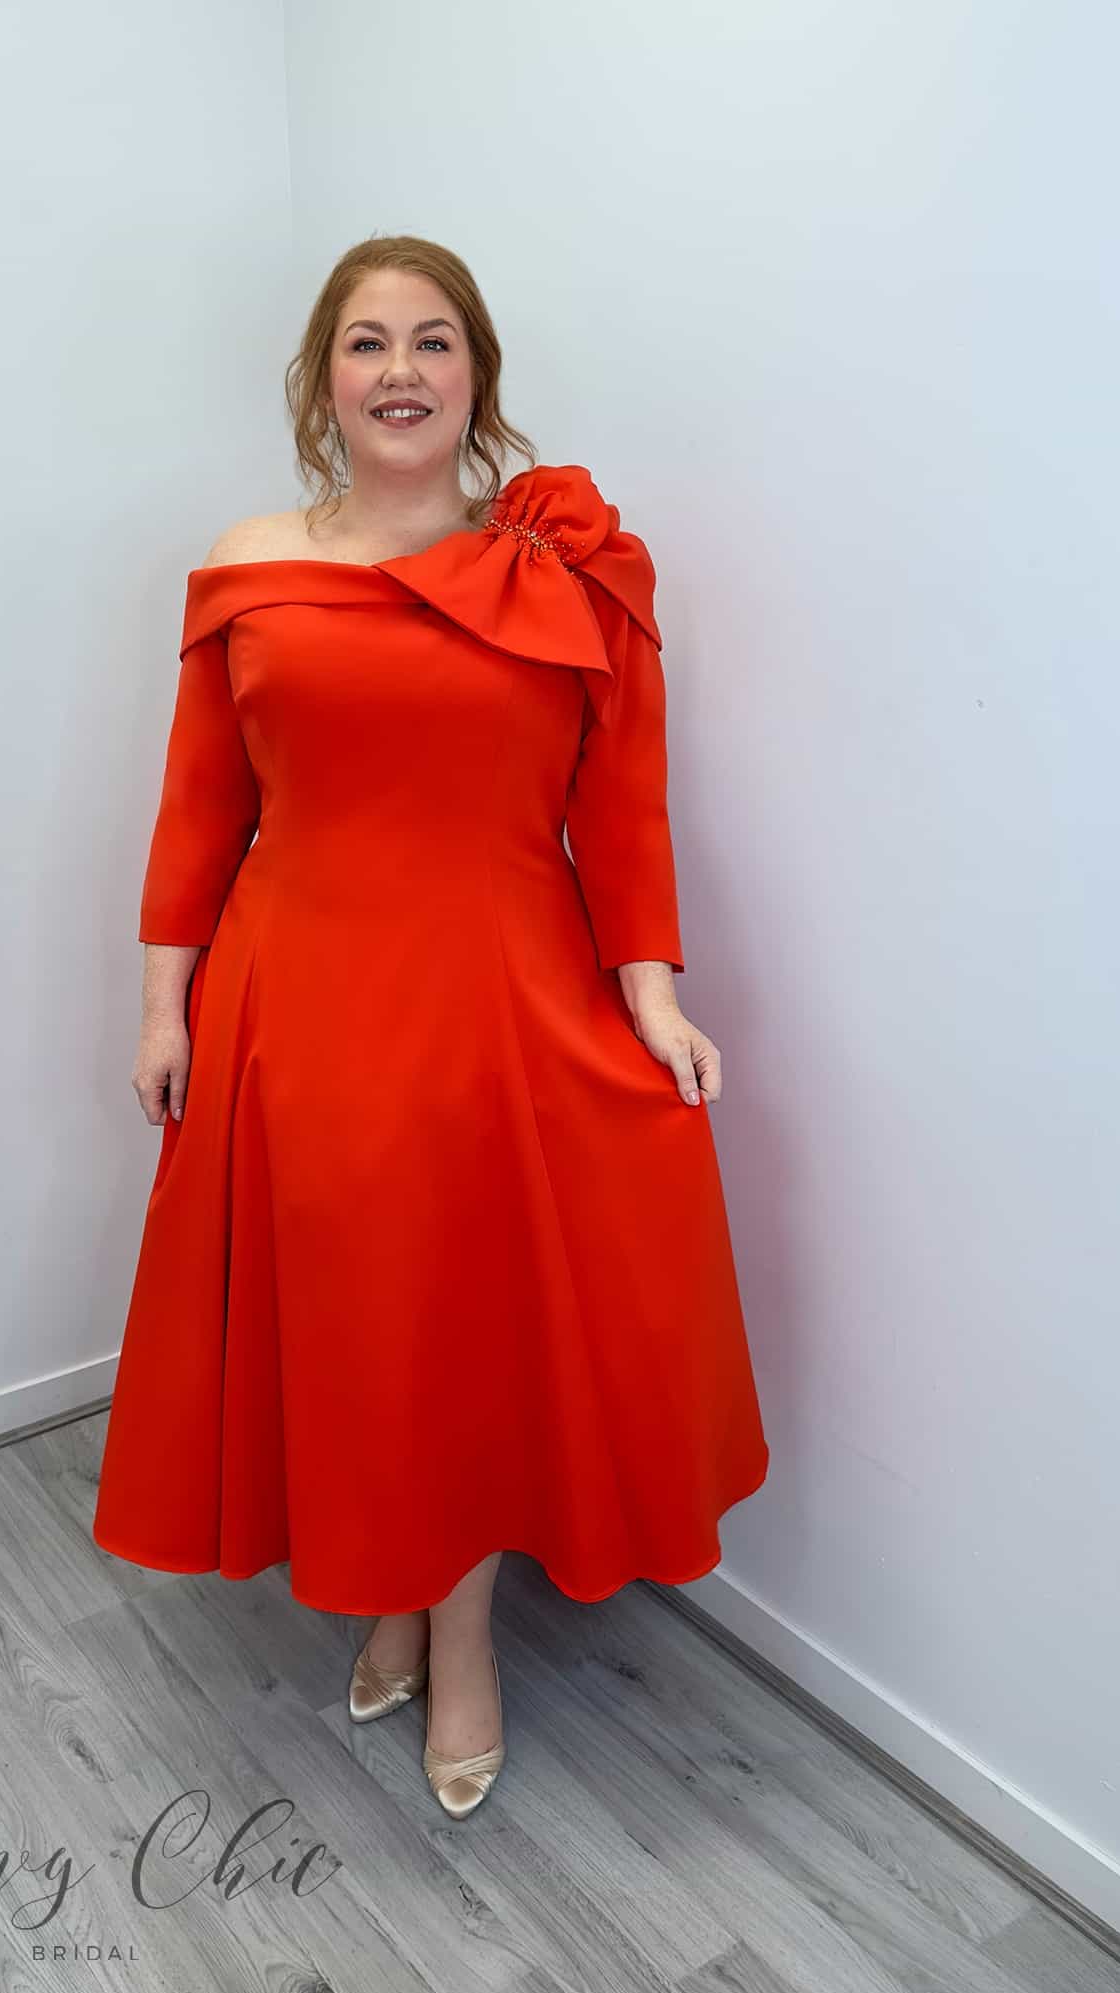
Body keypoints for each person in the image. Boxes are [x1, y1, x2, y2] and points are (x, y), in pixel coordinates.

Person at [93, 234, 770, 1820]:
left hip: (500, 1005)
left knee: (456, 1334)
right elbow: (199, 807)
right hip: (297, 1004)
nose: (399, 369)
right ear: (320, 380)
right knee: (359, 1330)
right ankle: (389, 1596)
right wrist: (161, 1007)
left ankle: (453, 1640)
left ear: (477, 374)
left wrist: (652, 996)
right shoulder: (251, 559)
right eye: (366, 341)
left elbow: (621, 806)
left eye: (433, 340)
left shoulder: (567, 569)